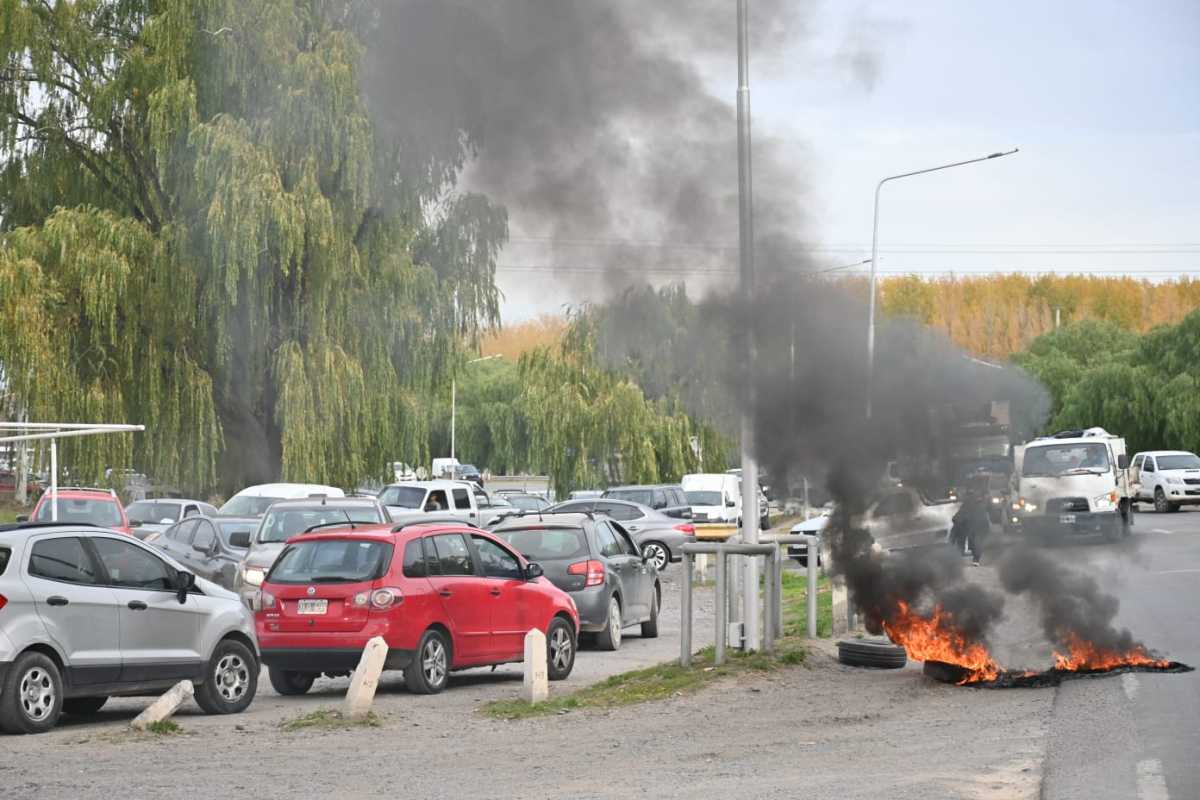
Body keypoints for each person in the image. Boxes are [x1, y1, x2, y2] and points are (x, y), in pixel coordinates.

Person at [951, 478, 990, 565]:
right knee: (975, 540)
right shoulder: (980, 501)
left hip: (974, 524)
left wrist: (956, 519)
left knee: (973, 540)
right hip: (974, 524)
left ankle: (973, 558)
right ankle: (975, 558)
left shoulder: (970, 501)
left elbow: (962, 512)